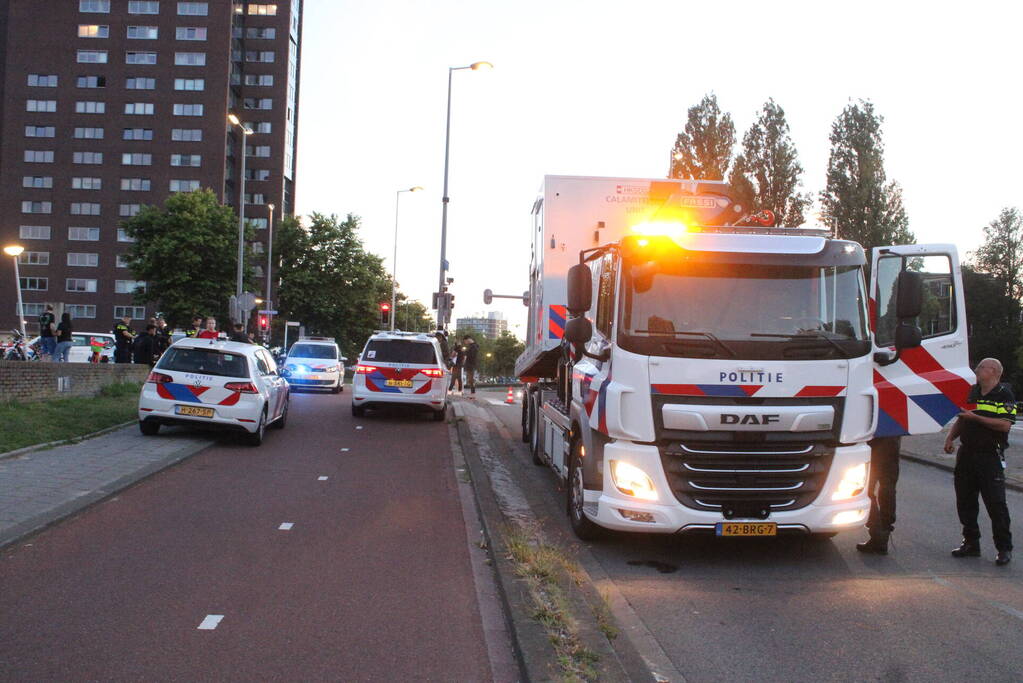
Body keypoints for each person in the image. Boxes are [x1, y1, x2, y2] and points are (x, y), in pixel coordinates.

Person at [944, 357, 1014, 566]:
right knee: (965, 501)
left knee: (996, 503)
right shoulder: (972, 391)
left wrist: (976, 418)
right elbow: (962, 417)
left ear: (993, 371)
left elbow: (1004, 425)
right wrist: (950, 437)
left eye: (981, 367)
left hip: (989, 456)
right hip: (966, 454)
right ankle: (971, 542)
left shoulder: (1004, 395)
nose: (977, 369)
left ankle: (1003, 548)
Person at [856, 437, 901, 554]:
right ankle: (885, 531)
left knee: (867, 490)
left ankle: (877, 533)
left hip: (873, 445)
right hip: (892, 443)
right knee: (888, 488)